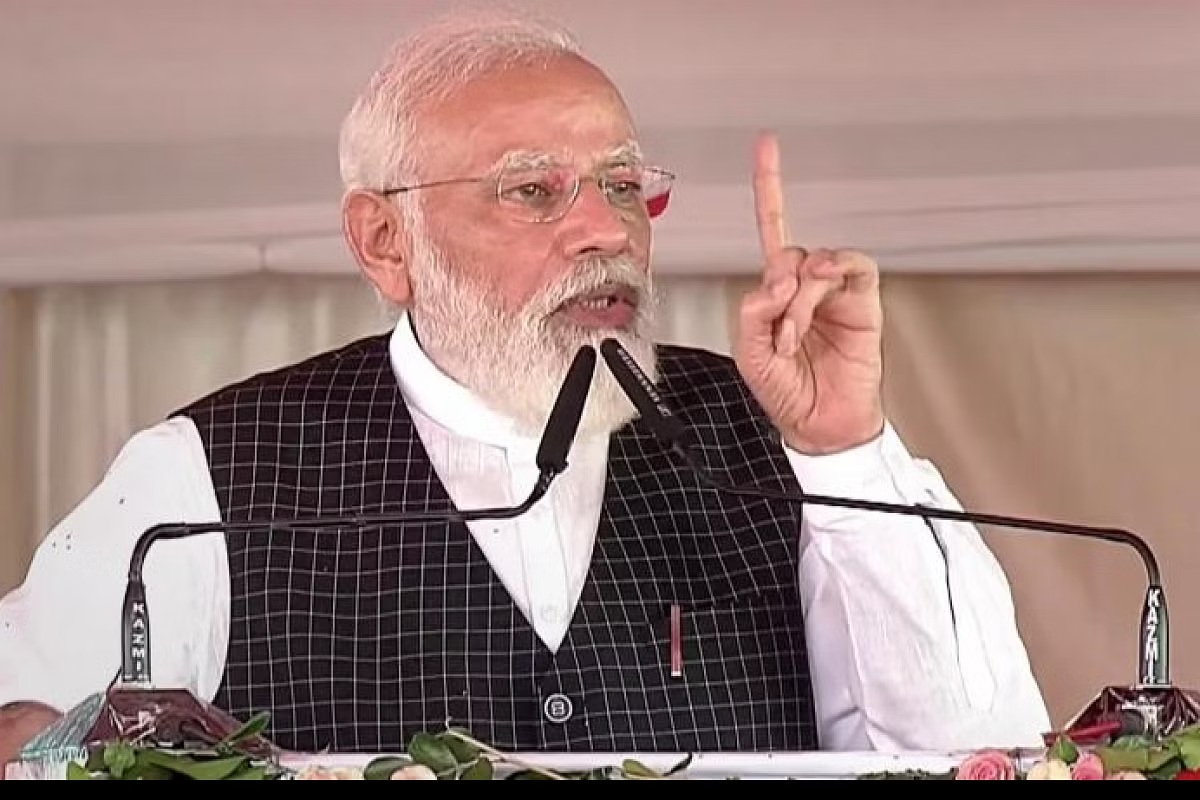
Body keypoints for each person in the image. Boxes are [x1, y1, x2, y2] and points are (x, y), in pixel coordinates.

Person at [0, 10, 1051, 770]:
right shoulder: (209, 474)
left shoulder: (774, 434)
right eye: (534, 189)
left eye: (624, 185)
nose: (605, 230)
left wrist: (845, 447)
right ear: (385, 240)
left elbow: (977, 752)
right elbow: (22, 721)